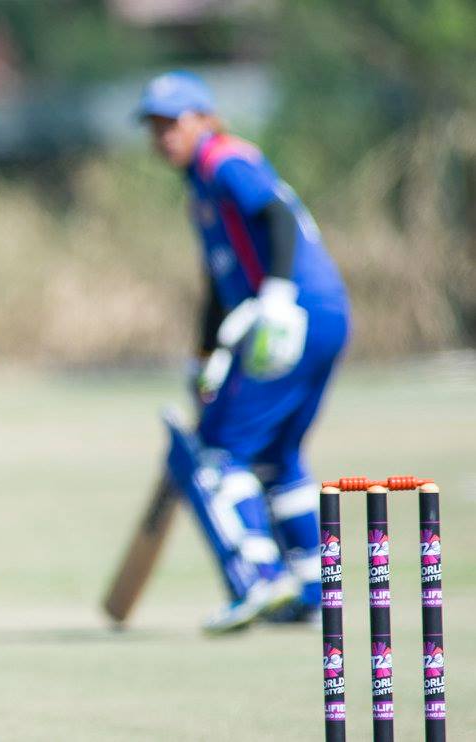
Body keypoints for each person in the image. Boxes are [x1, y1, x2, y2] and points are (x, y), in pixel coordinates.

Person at [137, 71, 350, 633]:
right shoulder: (201, 187)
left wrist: (277, 295)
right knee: (277, 456)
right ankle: (313, 589)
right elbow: (219, 279)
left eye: (173, 122)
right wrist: (205, 353)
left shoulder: (225, 160)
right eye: (154, 125)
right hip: (320, 315)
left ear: (204, 119)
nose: (163, 135)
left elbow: (276, 217)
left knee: (218, 451)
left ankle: (257, 578)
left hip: (292, 315)